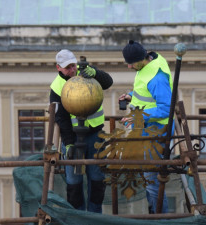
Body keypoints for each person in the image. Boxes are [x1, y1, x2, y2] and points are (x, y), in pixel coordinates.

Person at [50, 49, 113, 213]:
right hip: (73, 139)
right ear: (59, 68)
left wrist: (96, 73)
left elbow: (108, 82)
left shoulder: (86, 73)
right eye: (67, 68)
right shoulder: (57, 88)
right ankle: (77, 216)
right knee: (74, 183)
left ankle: (94, 215)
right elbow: (62, 120)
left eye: (73, 65)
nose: (72, 70)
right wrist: (69, 144)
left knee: (98, 179)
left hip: (95, 136)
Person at [119, 40, 174, 214]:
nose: (129, 67)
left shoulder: (157, 78)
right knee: (149, 178)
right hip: (148, 129)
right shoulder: (149, 65)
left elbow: (165, 108)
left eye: (131, 63)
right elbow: (145, 92)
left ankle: (160, 219)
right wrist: (130, 96)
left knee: (152, 182)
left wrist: (137, 116)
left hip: (157, 131)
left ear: (142, 59)